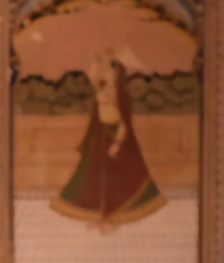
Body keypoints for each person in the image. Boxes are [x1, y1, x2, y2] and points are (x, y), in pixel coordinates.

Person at [52, 54, 164, 226]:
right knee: (93, 177)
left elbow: (124, 124)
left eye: (112, 72)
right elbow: (93, 81)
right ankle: (100, 215)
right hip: (100, 136)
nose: (108, 74)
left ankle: (113, 217)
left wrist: (117, 144)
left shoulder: (122, 94)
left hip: (116, 140)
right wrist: (95, 64)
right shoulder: (103, 88)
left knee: (117, 179)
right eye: (109, 71)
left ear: (118, 74)